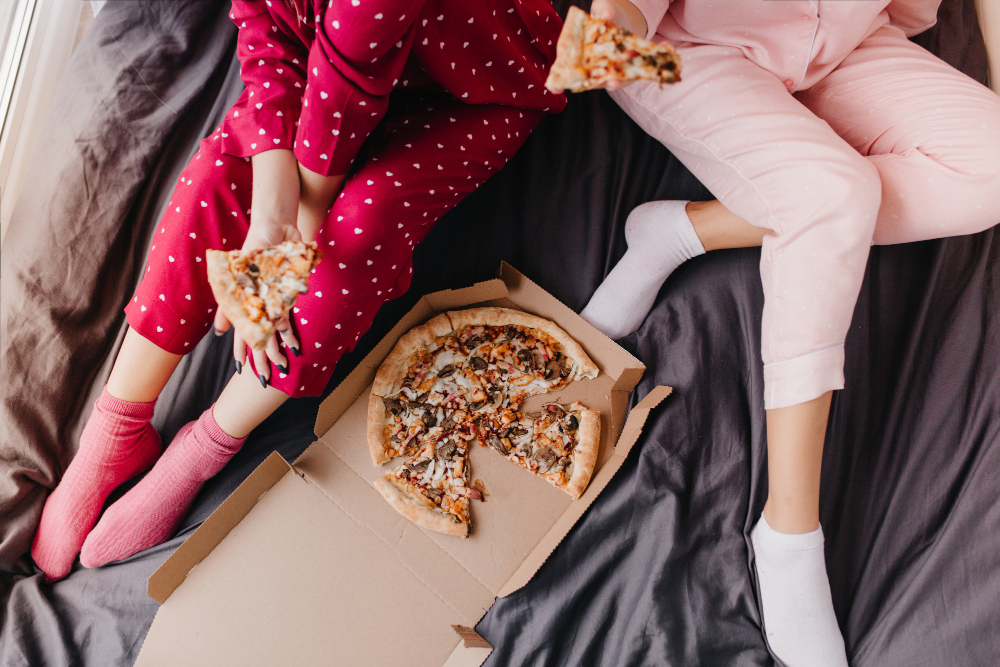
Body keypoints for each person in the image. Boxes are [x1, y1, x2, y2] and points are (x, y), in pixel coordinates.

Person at [30, 0, 566, 582]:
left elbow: (345, 102)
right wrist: (268, 220)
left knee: (362, 229)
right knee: (219, 171)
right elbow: (266, 30)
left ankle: (204, 446)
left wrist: (289, 250)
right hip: (332, 65)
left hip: (476, 86)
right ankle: (116, 430)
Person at [578, 0, 1000, 665]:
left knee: (991, 166)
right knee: (828, 193)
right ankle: (789, 531)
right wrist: (612, 40)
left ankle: (685, 229)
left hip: (841, 41)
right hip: (686, 50)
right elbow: (622, 22)